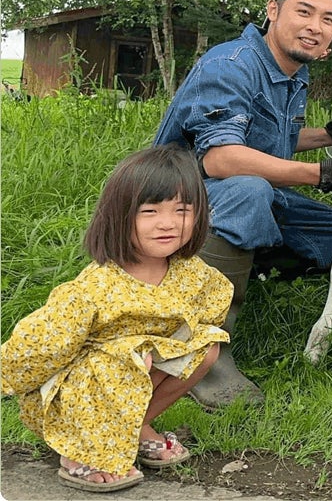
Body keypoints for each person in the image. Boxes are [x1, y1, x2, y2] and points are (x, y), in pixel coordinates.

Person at [154, 0, 332, 408]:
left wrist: (331, 135)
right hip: (176, 197)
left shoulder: (292, 72)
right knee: (250, 192)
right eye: (304, 12)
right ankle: (200, 352)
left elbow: (268, 141)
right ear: (273, 11)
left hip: (241, 192)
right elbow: (221, 159)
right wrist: (325, 174)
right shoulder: (231, 64)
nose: (316, 26)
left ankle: (236, 268)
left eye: (329, 19)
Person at [0, 146, 231, 493]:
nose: (168, 223)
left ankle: (131, 430)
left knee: (207, 346)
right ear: (119, 216)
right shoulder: (95, 286)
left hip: (129, 379)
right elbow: (43, 343)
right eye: (150, 211)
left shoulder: (194, 275)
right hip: (78, 394)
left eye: (182, 210)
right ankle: (81, 450)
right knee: (131, 356)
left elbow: (209, 314)